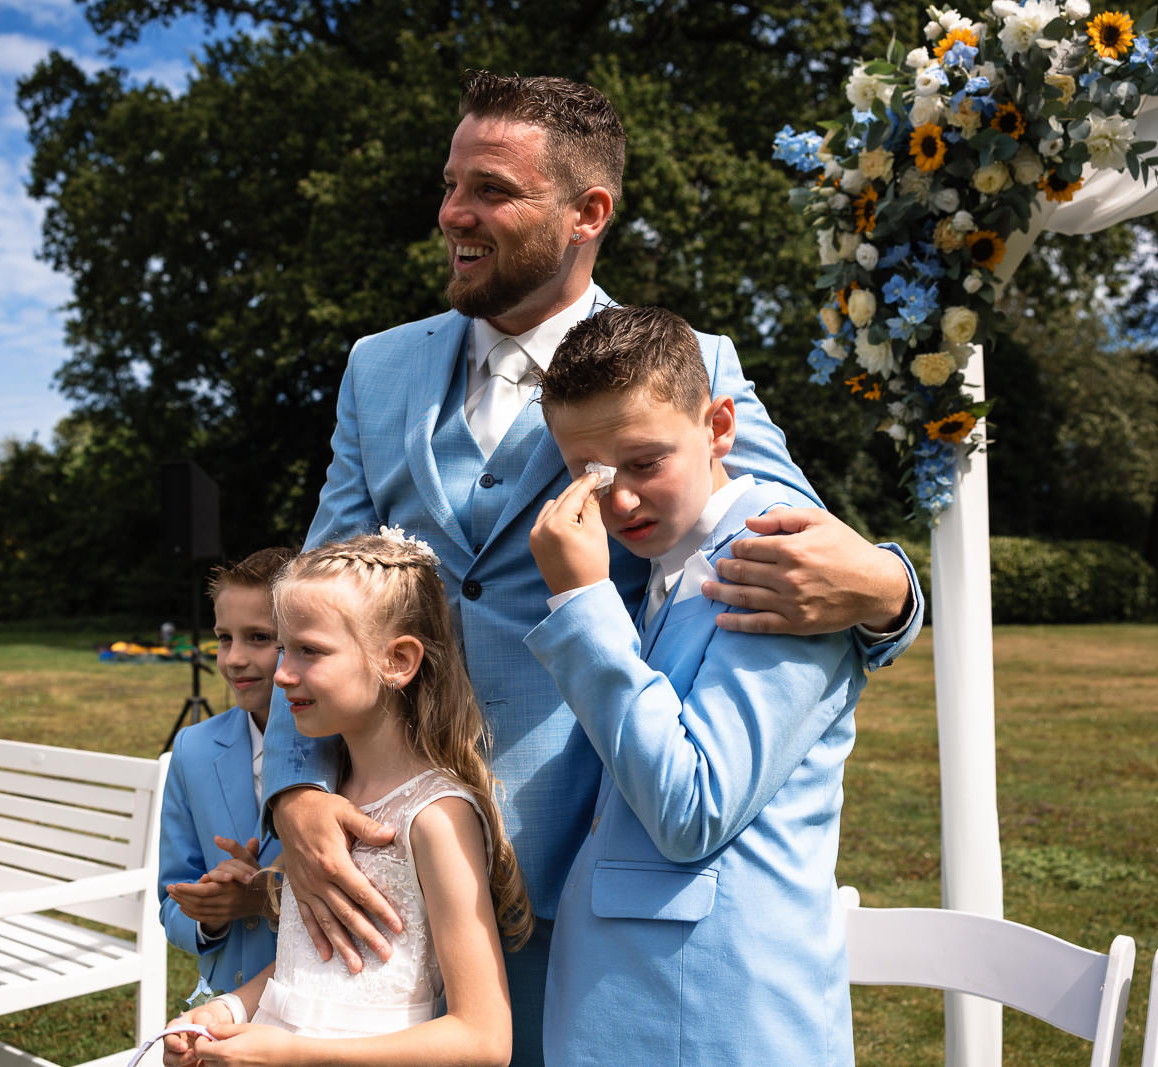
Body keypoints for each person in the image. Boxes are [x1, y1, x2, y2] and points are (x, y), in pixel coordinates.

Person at [262, 70, 923, 1063]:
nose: (451, 212)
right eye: (448, 185)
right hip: (384, 857)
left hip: (577, 869)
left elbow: (797, 549)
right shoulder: (378, 366)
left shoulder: (694, 364)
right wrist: (294, 789)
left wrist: (896, 591)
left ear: (587, 212)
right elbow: (320, 583)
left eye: (489, 189)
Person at [527, 305, 867, 1064]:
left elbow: (694, 807)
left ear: (719, 427)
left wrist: (582, 607)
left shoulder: (779, 561)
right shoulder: (666, 562)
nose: (618, 501)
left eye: (645, 462)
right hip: (639, 1006)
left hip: (712, 1017)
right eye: (590, 474)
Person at [161, 531, 531, 1067]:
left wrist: (293, 1055)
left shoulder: (436, 818)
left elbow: (484, 1041)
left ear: (398, 660)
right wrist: (229, 1013)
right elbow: (308, 962)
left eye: (309, 651)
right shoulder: (320, 804)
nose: (282, 674)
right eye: (283, 648)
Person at [158, 548, 294, 1005]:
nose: (234, 659)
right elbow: (171, 897)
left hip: (317, 999)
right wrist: (208, 913)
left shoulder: (347, 750)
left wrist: (265, 898)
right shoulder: (193, 749)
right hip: (224, 996)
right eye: (223, 638)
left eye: (258, 637)